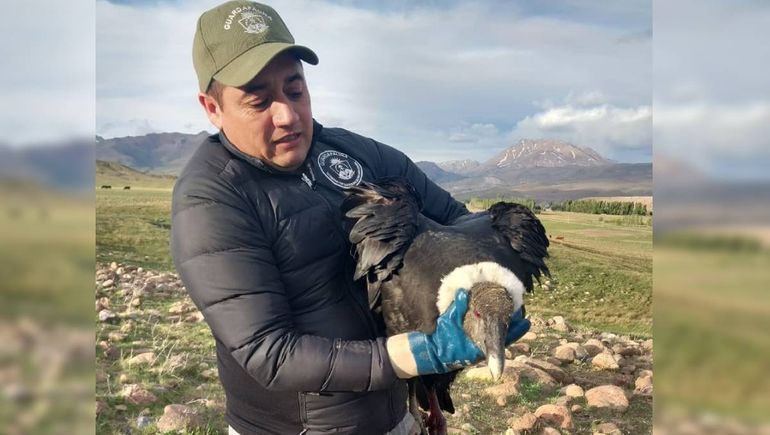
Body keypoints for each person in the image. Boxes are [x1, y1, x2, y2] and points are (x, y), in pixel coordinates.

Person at [170, 2, 531, 434]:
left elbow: (456, 223)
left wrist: (486, 292)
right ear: (212, 107)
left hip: (394, 415)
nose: (287, 116)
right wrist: (419, 354)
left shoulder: (353, 152)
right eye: (259, 101)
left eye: (295, 90)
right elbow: (270, 353)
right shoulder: (211, 198)